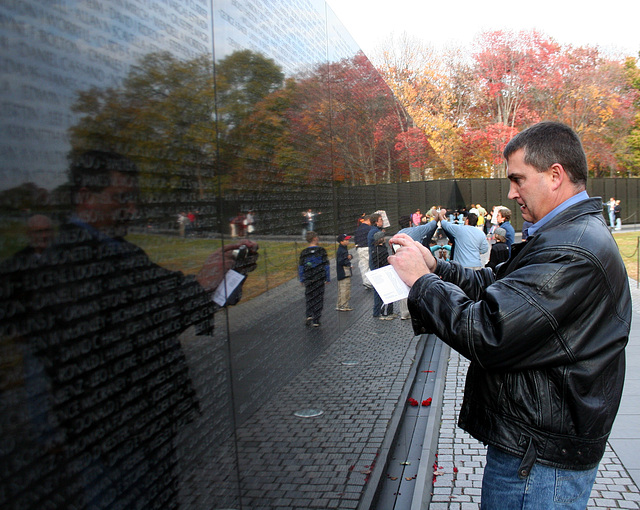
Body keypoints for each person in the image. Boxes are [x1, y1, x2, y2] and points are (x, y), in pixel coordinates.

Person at [388, 121, 631, 509]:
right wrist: (436, 268)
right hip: (536, 454)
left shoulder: (571, 250)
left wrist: (421, 283)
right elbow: (497, 286)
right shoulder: (564, 235)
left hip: (538, 465)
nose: (510, 192)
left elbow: (489, 330)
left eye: (518, 179)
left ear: (555, 175)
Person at [0, 150, 259, 509]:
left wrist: (230, 271)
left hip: (141, 425)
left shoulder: (118, 251)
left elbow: (176, 296)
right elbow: (137, 322)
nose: (132, 209)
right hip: (114, 433)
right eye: (121, 198)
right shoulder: (72, 257)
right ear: (85, 199)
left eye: (132, 198)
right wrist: (200, 284)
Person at [298, 231, 330, 327]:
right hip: (319, 278)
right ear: (315, 239)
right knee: (318, 298)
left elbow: (301, 267)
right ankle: (316, 319)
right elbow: (326, 266)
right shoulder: (321, 250)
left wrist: (302, 278)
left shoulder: (304, 252)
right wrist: (327, 278)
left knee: (309, 297)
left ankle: (309, 314)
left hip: (308, 278)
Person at [371, 230, 394, 319]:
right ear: (380, 239)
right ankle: (384, 313)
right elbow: (383, 262)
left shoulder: (377, 249)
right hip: (383, 273)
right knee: (386, 293)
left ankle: (388, 312)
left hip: (382, 272)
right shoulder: (380, 250)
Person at [353, 214, 373, 289]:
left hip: (360, 248)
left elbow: (355, 239)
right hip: (367, 247)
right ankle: (370, 282)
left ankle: (366, 282)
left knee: (363, 265)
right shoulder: (370, 228)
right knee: (371, 264)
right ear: (368, 220)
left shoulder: (358, 228)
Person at [335, 233, 353, 311]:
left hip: (342, 272)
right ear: (341, 241)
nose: (348, 241)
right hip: (344, 272)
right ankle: (344, 305)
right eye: (346, 240)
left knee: (342, 289)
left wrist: (350, 256)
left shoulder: (343, 249)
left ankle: (340, 304)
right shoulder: (341, 250)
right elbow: (341, 261)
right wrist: (348, 263)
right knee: (345, 289)